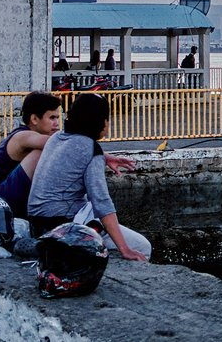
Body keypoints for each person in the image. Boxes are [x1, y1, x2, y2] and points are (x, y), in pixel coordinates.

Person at [27, 92, 150, 262]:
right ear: (102, 122)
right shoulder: (92, 149)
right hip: (62, 225)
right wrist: (125, 249)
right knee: (143, 247)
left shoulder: (56, 138)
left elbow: (75, 154)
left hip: (37, 222)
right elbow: (102, 202)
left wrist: (105, 158)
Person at [0, 92, 135, 220]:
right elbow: (63, 145)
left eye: (58, 118)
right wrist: (103, 155)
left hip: (4, 194)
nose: (57, 124)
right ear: (34, 119)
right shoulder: (23, 136)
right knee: (44, 153)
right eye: (52, 118)